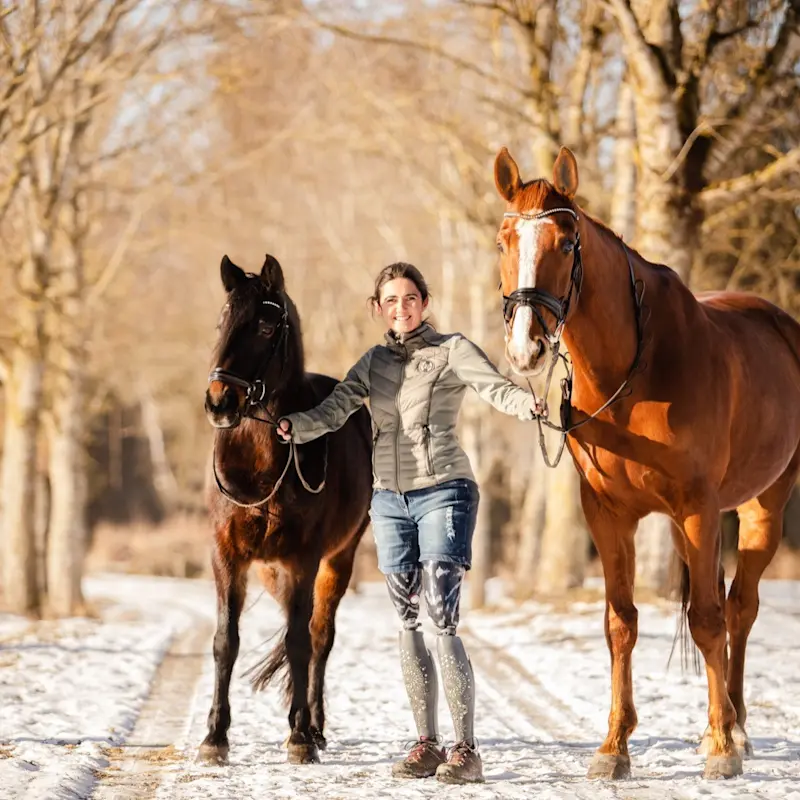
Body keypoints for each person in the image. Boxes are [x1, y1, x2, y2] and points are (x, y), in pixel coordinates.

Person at [276, 262, 538, 785]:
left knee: (440, 616)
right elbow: (334, 411)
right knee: (407, 620)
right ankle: (427, 744)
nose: (402, 307)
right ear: (378, 308)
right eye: (391, 300)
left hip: (444, 490)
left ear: (426, 301)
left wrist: (530, 404)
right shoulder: (372, 363)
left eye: (411, 297)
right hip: (389, 501)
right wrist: (293, 427)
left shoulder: (452, 350)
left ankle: (466, 750)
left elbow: (495, 389)